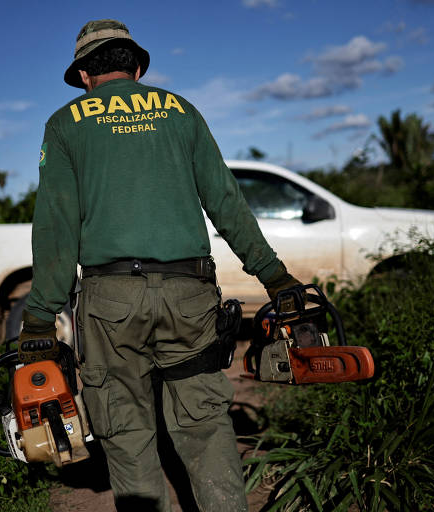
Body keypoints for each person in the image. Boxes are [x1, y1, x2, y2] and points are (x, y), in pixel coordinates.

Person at [20, 19, 301, 512]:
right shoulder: (180, 111)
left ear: (84, 75)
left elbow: (55, 229)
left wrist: (41, 316)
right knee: (206, 425)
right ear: (138, 66)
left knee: (126, 431)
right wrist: (276, 280)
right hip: (189, 294)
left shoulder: (65, 124)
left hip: (111, 304)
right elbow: (226, 203)